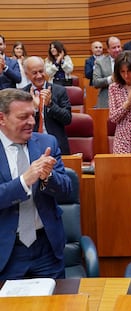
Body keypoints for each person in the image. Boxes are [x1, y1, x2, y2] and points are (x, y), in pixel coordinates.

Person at [0, 88, 72, 279]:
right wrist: (25, 180)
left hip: (46, 248)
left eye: (32, 115)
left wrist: (48, 178)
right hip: (6, 251)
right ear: (2, 118)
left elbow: (67, 191)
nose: (31, 122)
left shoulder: (47, 143)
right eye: (23, 117)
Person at [23, 56, 72, 155]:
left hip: (57, 145)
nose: (39, 76)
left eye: (41, 71)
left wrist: (50, 105)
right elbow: (20, 123)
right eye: (34, 73)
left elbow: (67, 119)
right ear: (27, 74)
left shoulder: (59, 91)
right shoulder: (22, 94)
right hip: (30, 146)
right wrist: (35, 109)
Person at [93, 36, 122, 108]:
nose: (117, 50)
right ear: (108, 49)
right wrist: (110, 79)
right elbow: (96, 82)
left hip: (125, 100)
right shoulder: (100, 62)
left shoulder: (128, 60)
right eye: (114, 48)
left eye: (118, 46)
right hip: (106, 101)